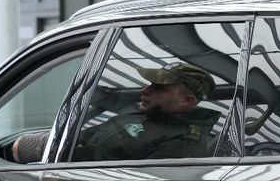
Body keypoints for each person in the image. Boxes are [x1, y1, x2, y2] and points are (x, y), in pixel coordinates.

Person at [11, 61, 217, 163]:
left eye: (159, 88)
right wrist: (43, 145)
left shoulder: (183, 146)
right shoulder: (143, 115)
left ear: (186, 101)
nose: (144, 91)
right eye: (149, 84)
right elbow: (83, 136)